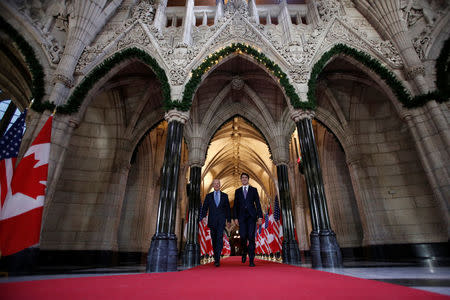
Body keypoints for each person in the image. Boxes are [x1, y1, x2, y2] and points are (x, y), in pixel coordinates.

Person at [233, 172, 262, 267]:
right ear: (241, 180)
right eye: (242, 178)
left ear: (248, 179)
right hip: (241, 217)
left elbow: (257, 203)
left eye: (246, 177)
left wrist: (260, 216)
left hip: (251, 216)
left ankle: (251, 260)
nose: (244, 179)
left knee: (251, 237)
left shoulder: (254, 190)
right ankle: (244, 252)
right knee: (243, 236)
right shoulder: (237, 191)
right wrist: (235, 217)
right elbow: (235, 206)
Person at [201, 179, 231, 267]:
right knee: (214, 239)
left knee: (219, 238)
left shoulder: (225, 196)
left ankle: (217, 259)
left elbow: (228, 209)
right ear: (213, 185)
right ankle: (216, 256)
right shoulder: (208, 196)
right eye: (215, 184)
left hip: (221, 221)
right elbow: (205, 207)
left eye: (218, 183)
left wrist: (229, 220)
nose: (217, 185)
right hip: (212, 220)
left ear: (220, 185)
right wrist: (203, 217)